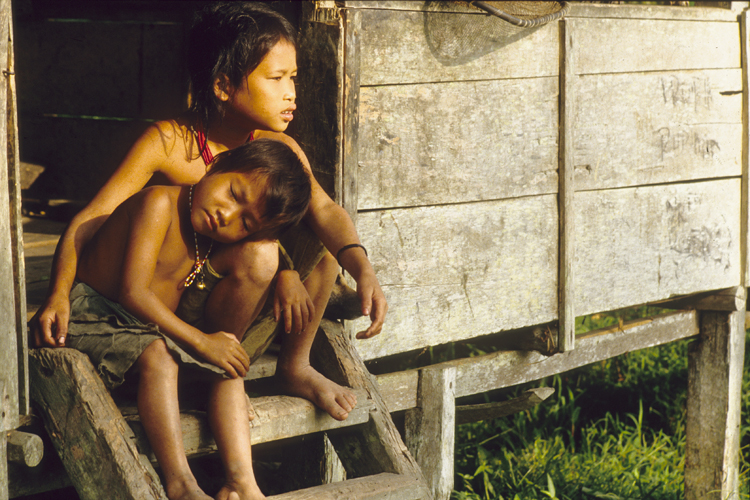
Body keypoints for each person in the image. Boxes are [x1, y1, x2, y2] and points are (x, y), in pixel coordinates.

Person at [31, 2, 387, 421]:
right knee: (269, 256)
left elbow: (325, 210)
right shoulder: (169, 143)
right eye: (276, 79)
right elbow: (91, 220)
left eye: (293, 77)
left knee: (324, 253)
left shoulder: (278, 149)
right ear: (223, 86)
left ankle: (295, 365)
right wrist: (58, 293)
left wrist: (361, 269)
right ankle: (214, 373)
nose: (291, 92)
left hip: (233, 299)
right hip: (166, 304)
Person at [69, 139, 309, 500]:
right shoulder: (158, 204)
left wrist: (286, 273)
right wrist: (201, 341)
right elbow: (132, 293)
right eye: (233, 193)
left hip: (150, 329)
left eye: (245, 222)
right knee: (161, 355)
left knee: (229, 364)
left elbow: (268, 248)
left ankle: (242, 483)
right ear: (216, 165)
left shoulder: (209, 234)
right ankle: (181, 484)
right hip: (98, 316)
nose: (227, 215)